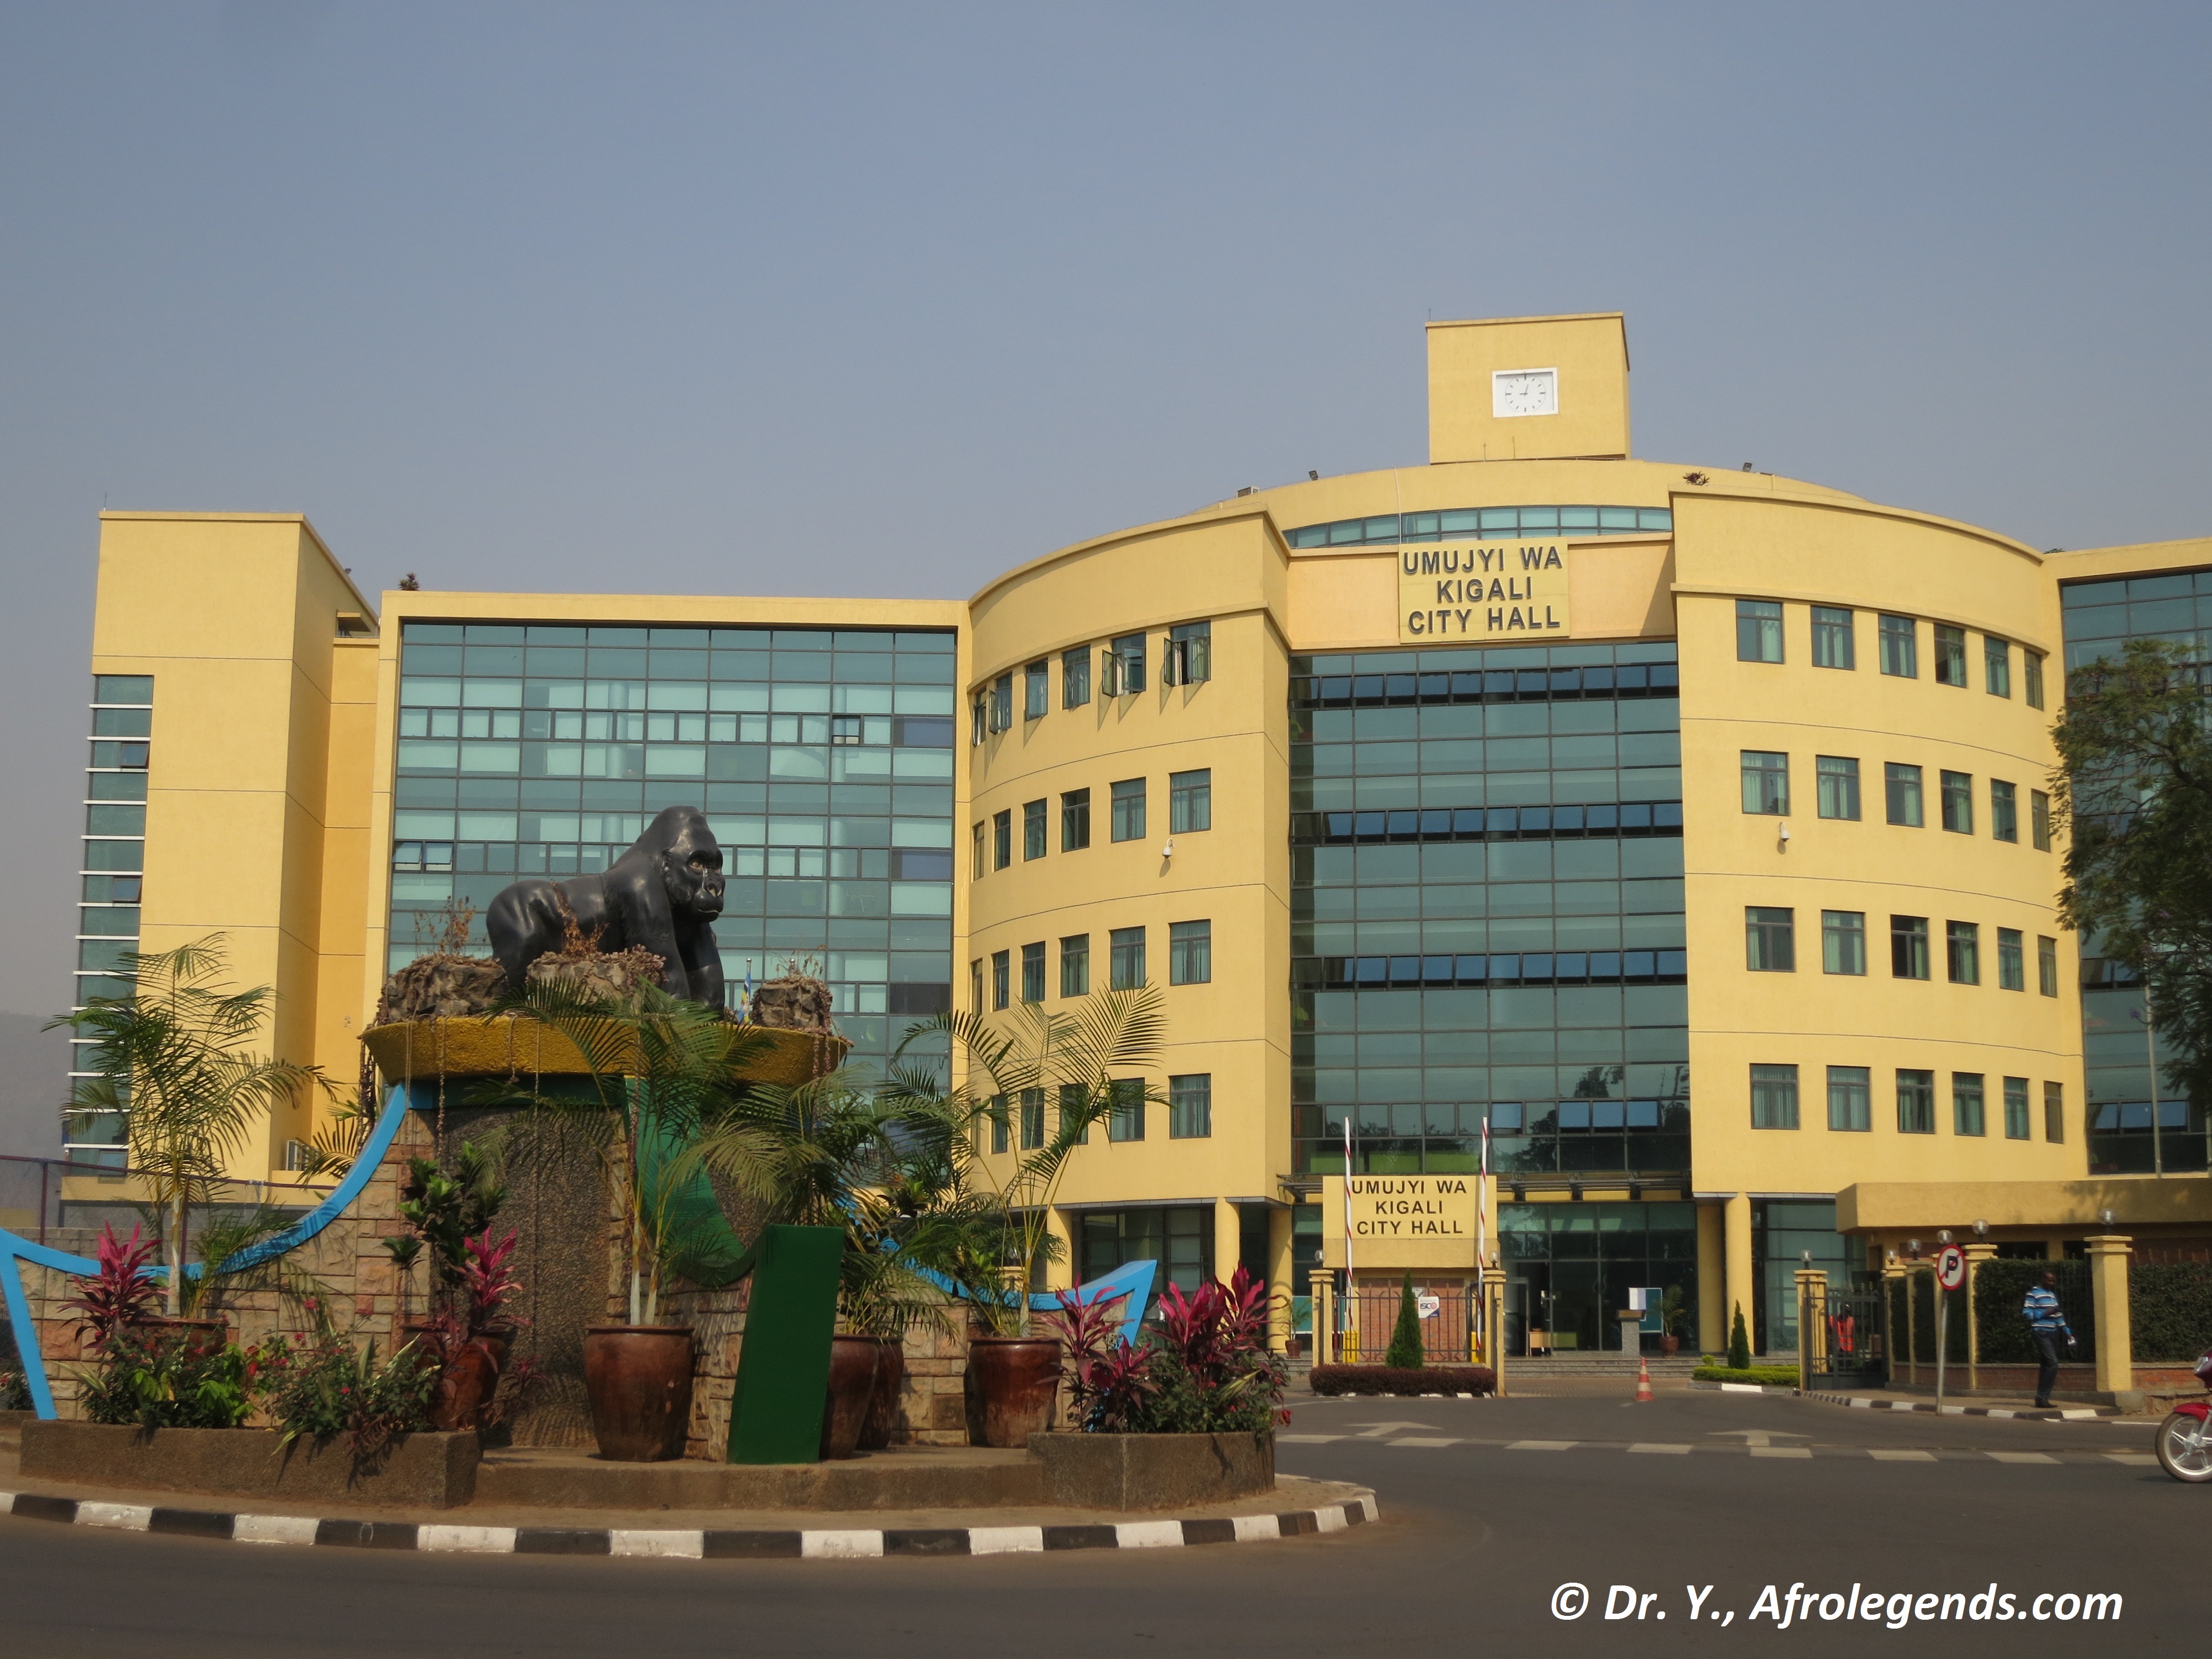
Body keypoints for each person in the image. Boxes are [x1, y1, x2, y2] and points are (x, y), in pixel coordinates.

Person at [2022, 1270, 2077, 1408]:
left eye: (2053, 1281)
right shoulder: (2033, 1293)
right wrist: (2043, 1313)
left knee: (2046, 1365)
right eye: (2049, 1280)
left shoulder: (2052, 1295)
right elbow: (2027, 1313)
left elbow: (2058, 1315)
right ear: (2042, 1279)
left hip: (2053, 1332)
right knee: (2053, 1362)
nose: (2052, 1283)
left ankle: (2041, 1398)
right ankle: (2043, 1396)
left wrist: (2068, 1332)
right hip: (2040, 1331)